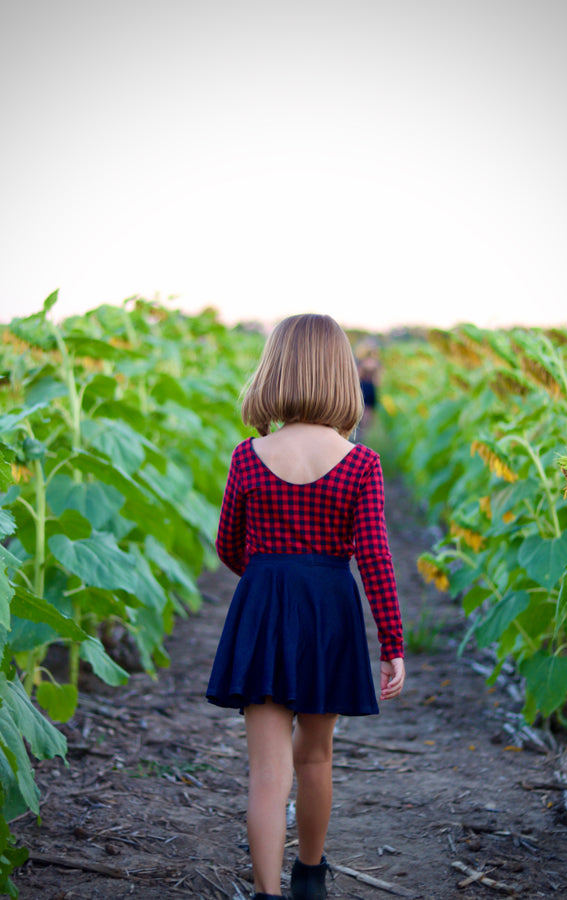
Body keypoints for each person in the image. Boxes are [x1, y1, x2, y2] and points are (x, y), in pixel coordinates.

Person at [206, 314, 405, 900]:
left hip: (263, 607)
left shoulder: (249, 456)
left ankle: (266, 895)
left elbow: (228, 544)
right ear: (342, 378)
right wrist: (391, 645)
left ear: (274, 373)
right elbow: (374, 558)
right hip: (329, 613)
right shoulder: (360, 464)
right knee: (316, 756)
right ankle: (310, 878)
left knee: (268, 775)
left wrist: (270, 576)